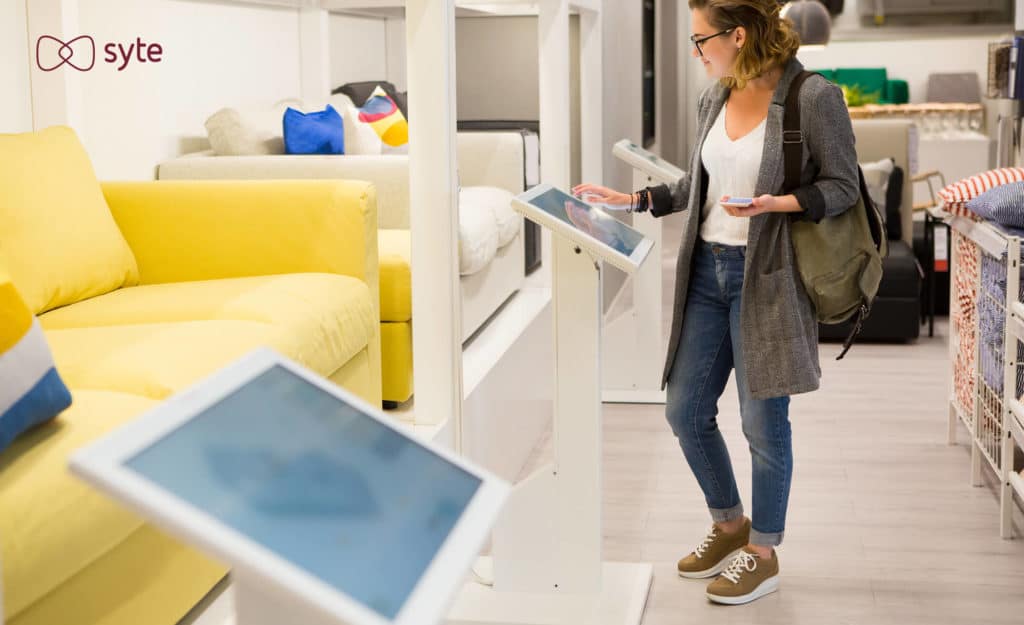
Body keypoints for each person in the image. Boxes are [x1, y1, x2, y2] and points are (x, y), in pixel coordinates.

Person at [572, 0, 859, 606]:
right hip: (705, 271)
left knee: (762, 420)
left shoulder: (813, 97)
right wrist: (632, 199)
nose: (696, 51)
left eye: (702, 40)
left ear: (739, 33)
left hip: (769, 278)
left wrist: (773, 204)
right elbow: (698, 185)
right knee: (684, 409)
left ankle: (763, 552)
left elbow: (842, 188)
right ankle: (730, 525)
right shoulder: (715, 96)